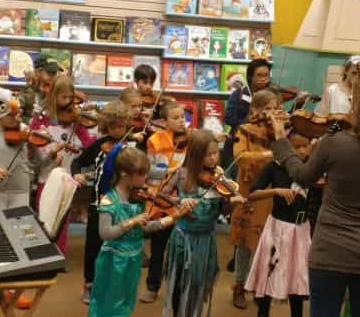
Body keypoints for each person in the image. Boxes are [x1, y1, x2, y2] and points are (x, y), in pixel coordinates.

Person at [269, 68, 360, 317]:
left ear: (357, 100)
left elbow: (303, 176)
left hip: (330, 252)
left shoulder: (334, 143)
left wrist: (281, 141)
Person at [87, 145, 190, 317]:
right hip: (114, 261)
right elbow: (105, 233)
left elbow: (144, 228)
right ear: (124, 174)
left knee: (127, 301)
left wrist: (173, 217)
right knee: (109, 302)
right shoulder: (108, 200)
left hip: (133, 259)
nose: (145, 179)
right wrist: (131, 221)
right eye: (141, 175)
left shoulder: (137, 198)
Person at [161, 129, 245, 316]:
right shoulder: (181, 174)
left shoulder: (220, 178)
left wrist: (233, 204)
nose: (214, 158)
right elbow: (162, 194)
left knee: (198, 285)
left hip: (206, 240)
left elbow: (222, 211)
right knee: (179, 284)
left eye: (216, 153)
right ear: (196, 155)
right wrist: (180, 201)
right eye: (208, 154)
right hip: (184, 239)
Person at [71, 100, 135, 303]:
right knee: (93, 245)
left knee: (118, 246)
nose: (119, 131)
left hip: (122, 205)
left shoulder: (131, 146)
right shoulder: (99, 145)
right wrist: (77, 175)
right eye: (115, 126)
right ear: (107, 126)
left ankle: (113, 284)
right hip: (98, 204)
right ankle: (89, 284)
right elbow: (77, 162)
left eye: (123, 126)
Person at [245, 131, 312, 317]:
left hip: (302, 230)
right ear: (286, 148)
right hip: (277, 227)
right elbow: (252, 194)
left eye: (305, 145)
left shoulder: (311, 168)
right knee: (269, 271)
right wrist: (276, 191)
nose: (302, 150)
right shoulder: (273, 167)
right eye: (296, 146)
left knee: (296, 275)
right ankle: (263, 312)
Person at [30, 75, 94, 253]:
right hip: (46, 175)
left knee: (63, 216)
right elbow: (33, 147)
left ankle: (59, 252)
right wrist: (50, 154)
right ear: (53, 96)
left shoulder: (76, 120)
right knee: (44, 214)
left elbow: (88, 144)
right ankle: (43, 253)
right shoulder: (41, 119)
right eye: (63, 97)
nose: (67, 102)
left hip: (68, 177)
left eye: (70, 97)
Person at [229, 90, 276, 309]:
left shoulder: (277, 132)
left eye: (275, 108)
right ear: (255, 110)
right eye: (267, 108)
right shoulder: (244, 130)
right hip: (249, 190)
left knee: (265, 241)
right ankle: (239, 285)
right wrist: (266, 156)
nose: (273, 113)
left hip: (269, 191)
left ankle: (258, 286)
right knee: (245, 241)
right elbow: (240, 156)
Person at [140, 101, 187, 303]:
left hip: (181, 201)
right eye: (175, 118)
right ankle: (152, 286)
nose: (181, 122)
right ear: (164, 121)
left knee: (181, 250)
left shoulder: (190, 140)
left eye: (182, 117)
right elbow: (148, 170)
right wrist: (170, 172)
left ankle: (178, 289)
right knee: (158, 249)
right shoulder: (155, 140)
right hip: (159, 201)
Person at [19, 54, 63, 123]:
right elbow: (18, 115)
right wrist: (30, 122)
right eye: (50, 73)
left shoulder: (56, 91)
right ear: (38, 72)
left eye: (55, 73)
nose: (54, 77)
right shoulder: (27, 91)